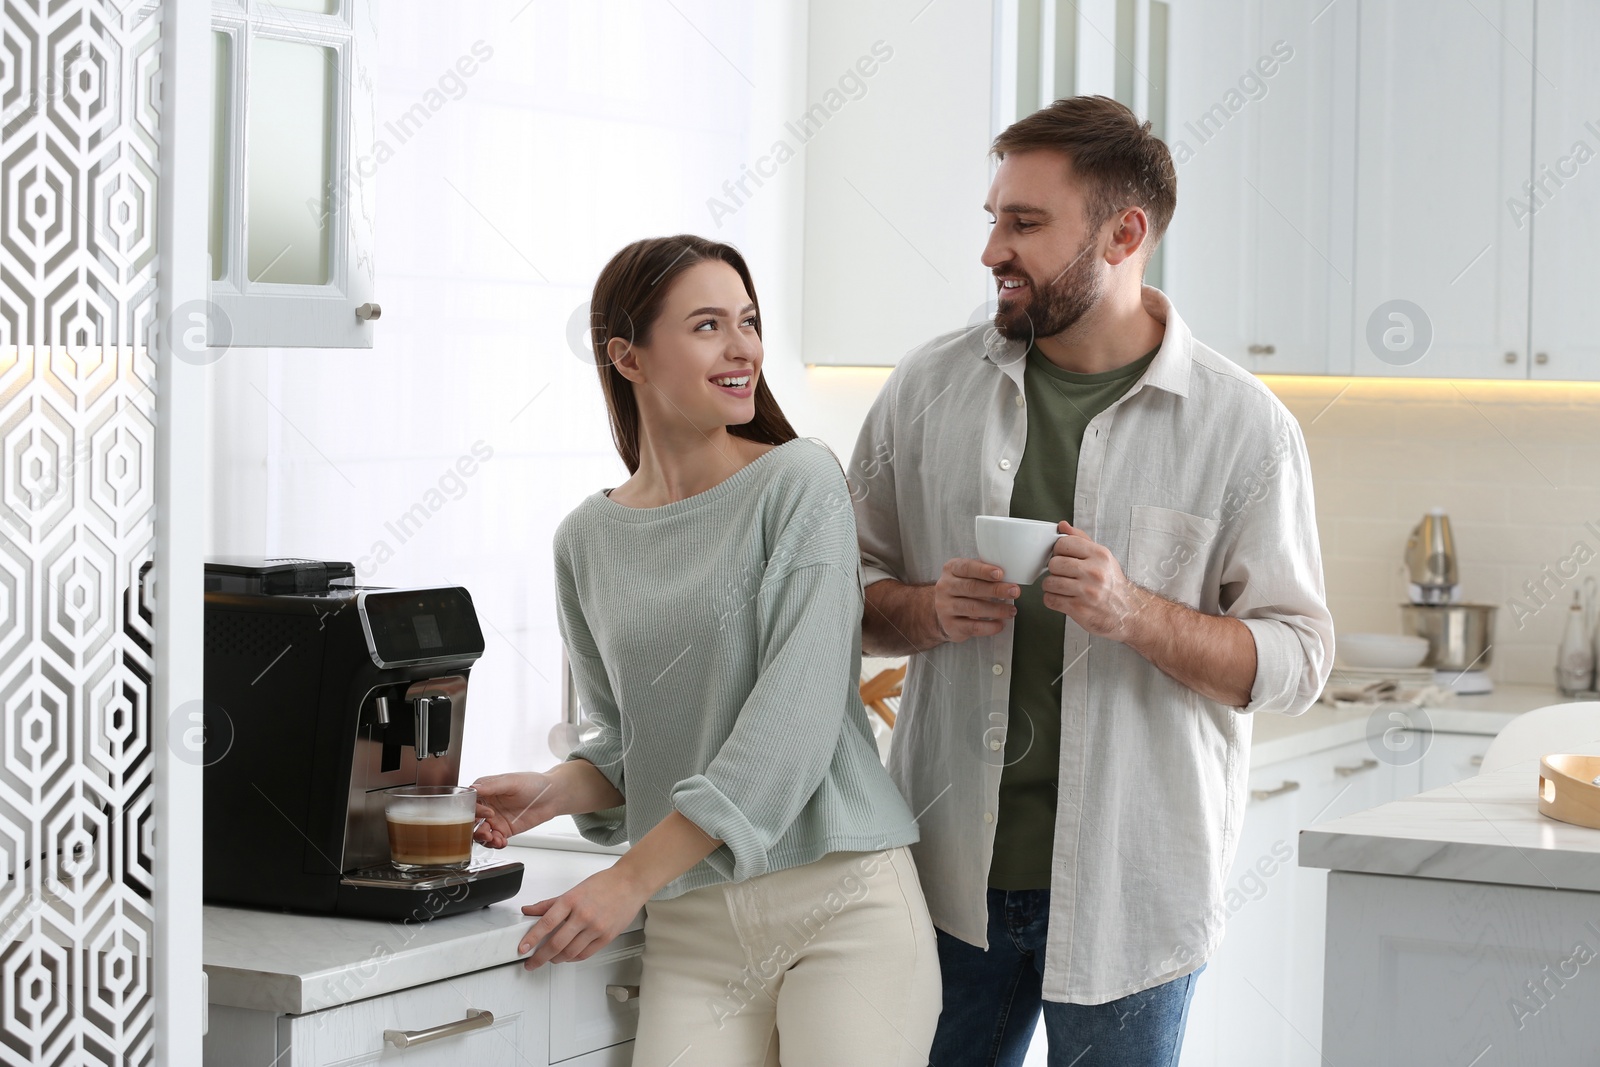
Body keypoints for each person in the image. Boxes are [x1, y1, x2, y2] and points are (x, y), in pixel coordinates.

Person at [850, 96, 1333, 1066]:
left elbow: (1297, 659)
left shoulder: (1242, 427)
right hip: (948, 877)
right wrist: (926, 610)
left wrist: (1134, 611)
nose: (992, 249)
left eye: (1024, 223)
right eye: (993, 217)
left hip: (1131, 890)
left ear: (1124, 232)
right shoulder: (926, 390)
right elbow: (843, 592)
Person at [473, 234, 941, 1067]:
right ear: (628, 357)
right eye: (708, 325)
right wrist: (553, 788)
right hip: (695, 926)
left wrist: (626, 881)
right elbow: (626, 739)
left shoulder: (799, 482)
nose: (744, 348)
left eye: (749, 321)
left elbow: (790, 724)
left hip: (842, 904)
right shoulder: (586, 538)